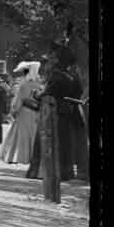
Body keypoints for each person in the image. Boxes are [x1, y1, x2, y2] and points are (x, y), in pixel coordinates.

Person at [26, 42, 84, 182]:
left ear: (57, 60)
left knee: (49, 143)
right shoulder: (72, 76)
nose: (48, 62)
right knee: (63, 144)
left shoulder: (56, 76)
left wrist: (35, 94)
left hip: (53, 114)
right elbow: (78, 92)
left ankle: (43, 171)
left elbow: (47, 94)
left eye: (51, 59)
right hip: (67, 113)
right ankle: (64, 172)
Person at [0, 59, 43, 165]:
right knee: (33, 134)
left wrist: (14, 110)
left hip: (24, 111)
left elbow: (18, 98)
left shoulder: (23, 83)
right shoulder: (40, 83)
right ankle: (32, 156)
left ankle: (18, 156)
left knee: (21, 134)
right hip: (36, 111)